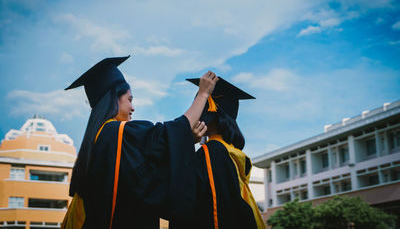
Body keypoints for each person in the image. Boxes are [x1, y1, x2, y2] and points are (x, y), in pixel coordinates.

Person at [62, 55, 218, 228]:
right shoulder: (118, 132)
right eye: (130, 99)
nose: (133, 108)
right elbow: (169, 135)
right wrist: (203, 94)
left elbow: (143, 176)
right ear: (114, 98)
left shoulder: (98, 140)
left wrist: (186, 140)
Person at [170, 77, 266, 229]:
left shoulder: (211, 151)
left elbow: (207, 207)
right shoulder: (232, 152)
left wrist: (187, 145)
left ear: (209, 112)